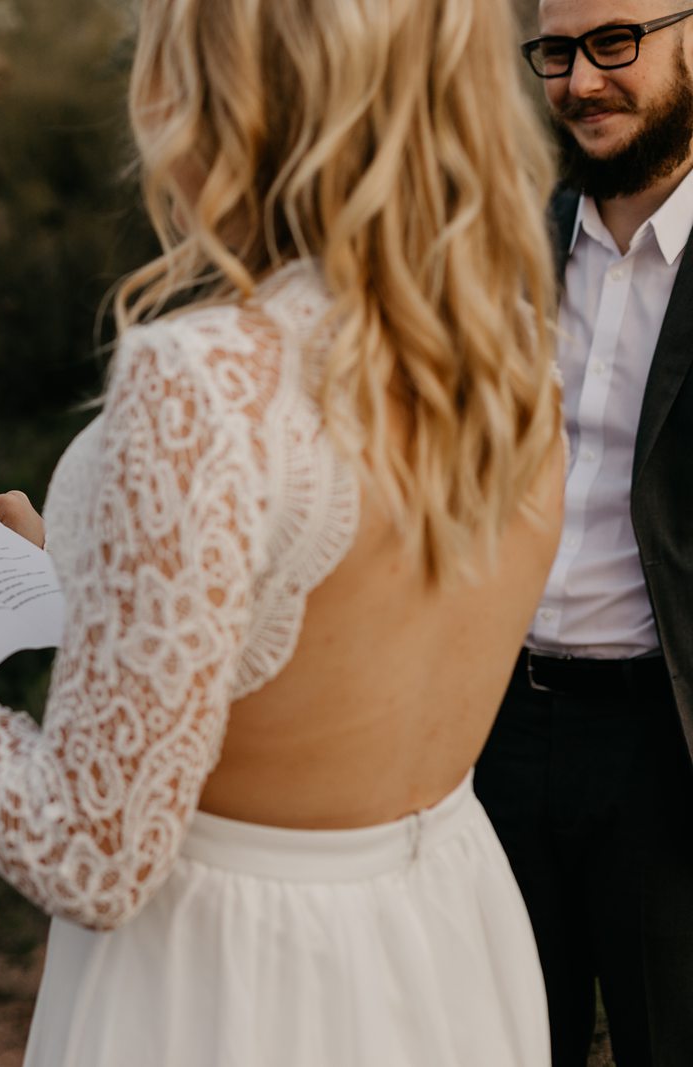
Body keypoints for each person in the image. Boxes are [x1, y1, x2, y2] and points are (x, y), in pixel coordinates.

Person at [0, 0, 567, 1063]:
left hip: (231, 987)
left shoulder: (200, 384)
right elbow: (305, 636)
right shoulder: (500, 345)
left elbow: (93, 855)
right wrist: (72, 566)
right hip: (438, 947)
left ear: (221, 84)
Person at [475, 2, 693, 1064]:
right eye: (555, 52)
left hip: (668, 743)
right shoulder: (495, 241)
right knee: (500, 1042)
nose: (580, 80)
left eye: (616, 41)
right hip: (483, 727)